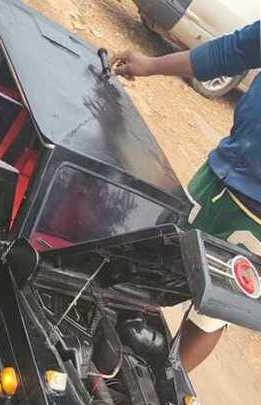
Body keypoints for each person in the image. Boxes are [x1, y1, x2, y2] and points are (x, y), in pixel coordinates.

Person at [111, 21, 260, 372]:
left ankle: (164, 386)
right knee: (146, 259)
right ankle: (103, 360)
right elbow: (230, 51)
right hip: (218, 177)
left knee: (213, 309)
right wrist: (150, 65)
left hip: (255, 223)